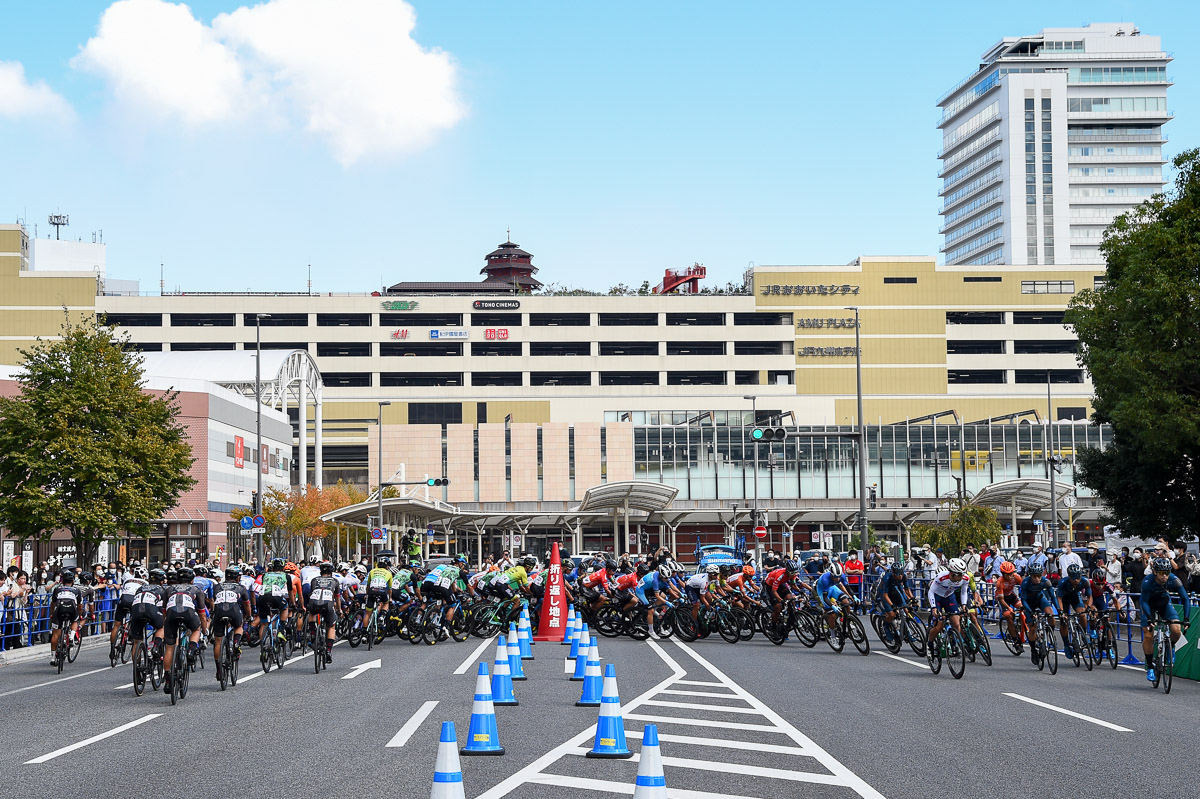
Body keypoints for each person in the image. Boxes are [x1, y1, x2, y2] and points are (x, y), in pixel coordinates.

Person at [1140, 557, 1191, 683]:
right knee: (1148, 635)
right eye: (1162, 573)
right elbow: (1144, 602)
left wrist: (1186, 618)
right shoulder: (1147, 581)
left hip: (1164, 603)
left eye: (1167, 573)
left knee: (1176, 629)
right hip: (1148, 605)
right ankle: (1150, 666)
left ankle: (1170, 648)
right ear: (1155, 572)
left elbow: (1185, 599)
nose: (1165, 576)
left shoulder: (1174, 579)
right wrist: (1150, 618)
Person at [161, 567, 208, 694]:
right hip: (188, 613)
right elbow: (202, 614)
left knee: (169, 648)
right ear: (192, 580)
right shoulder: (196, 589)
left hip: (171, 614)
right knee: (196, 630)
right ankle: (191, 650)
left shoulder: (169, 589)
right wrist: (204, 631)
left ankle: (167, 679)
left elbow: (164, 610)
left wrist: (165, 624)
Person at [211, 565, 252, 676]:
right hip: (233, 610)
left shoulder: (217, 586)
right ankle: (236, 642)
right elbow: (247, 605)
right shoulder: (241, 587)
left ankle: (219, 669)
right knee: (239, 626)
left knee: (218, 642)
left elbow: (213, 599)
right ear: (237, 577)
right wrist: (248, 616)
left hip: (219, 611)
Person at [926, 558, 969, 650]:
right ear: (952, 573)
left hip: (949, 597)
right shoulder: (941, 577)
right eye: (959, 575)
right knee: (939, 625)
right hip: (937, 598)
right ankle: (929, 644)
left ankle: (953, 643)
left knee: (956, 623)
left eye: (963, 574)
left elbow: (964, 592)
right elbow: (931, 592)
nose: (962, 577)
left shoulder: (965, 578)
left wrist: (964, 605)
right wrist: (933, 607)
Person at [1018, 563, 1056, 665]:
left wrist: (1060, 611)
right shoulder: (1025, 582)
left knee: (1051, 614)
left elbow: (1053, 597)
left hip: (1040, 599)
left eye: (1039, 576)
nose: (1037, 579)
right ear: (1030, 576)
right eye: (1034, 576)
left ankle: (1050, 635)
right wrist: (1030, 612)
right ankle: (1033, 650)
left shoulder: (1045, 582)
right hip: (1029, 603)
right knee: (1032, 627)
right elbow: (1024, 600)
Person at [305, 562, 342, 664]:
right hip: (328, 604)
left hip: (314, 602)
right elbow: (337, 598)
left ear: (320, 571)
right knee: (331, 626)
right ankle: (329, 651)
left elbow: (312, 592)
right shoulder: (335, 580)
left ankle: (313, 634)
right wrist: (339, 610)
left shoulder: (314, 580)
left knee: (312, 614)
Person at [1054, 564, 1092, 659]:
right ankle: (1066, 644)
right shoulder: (1063, 582)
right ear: (1069, 577)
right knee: (1064, 622)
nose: (1076, 580)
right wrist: (1061, 612)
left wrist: (1089, 606)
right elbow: (1059, 598)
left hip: (1075, 597)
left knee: (1082, 615)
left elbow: (1090, 596)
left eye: (1078, 578)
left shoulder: (1084, 581)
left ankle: (1083, 634)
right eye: (1073, 578)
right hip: (1064, 600)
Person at [47, 569, 83, 667]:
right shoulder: (76, 590)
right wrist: (79, 615)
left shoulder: (57, 589)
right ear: (73, 582)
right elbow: (80, 605)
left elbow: (53, 603)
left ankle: (53, 657)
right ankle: (71, 636)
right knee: (75, 620)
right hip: (72, 609)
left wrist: (51, 614)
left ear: (62, 581)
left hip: (59, 610)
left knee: (55, 635)